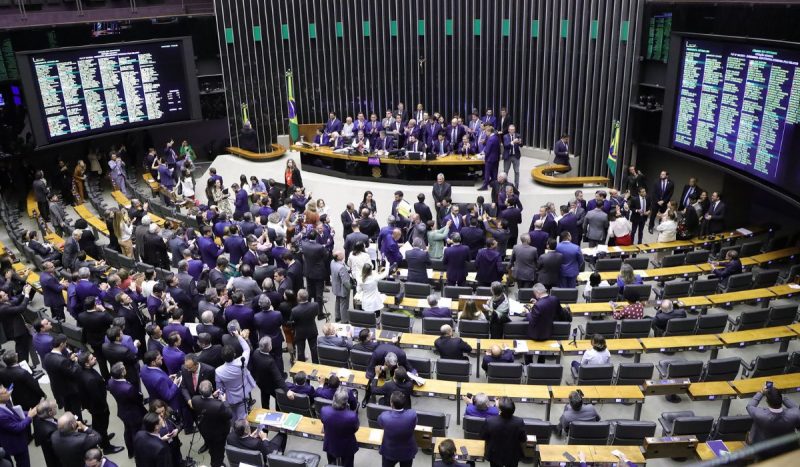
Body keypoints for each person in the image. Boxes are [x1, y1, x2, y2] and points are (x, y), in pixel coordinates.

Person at [76, 353, 123, 453]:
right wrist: (104, 407)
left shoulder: (83, 372)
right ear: (86, 364)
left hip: (92, 406)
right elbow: (97, 397)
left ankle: (101, 439)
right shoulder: (91, 379)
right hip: (99, 407)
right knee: (102, 425)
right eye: (92, 358)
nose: (95, 358)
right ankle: (106, 447)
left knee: (97, 424)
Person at [746, 384, 800, 456]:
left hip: (763, 451)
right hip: (788, 448)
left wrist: (761, 392)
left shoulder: (759, 414)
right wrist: (780, 396)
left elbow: (750, 406)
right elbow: (796, 408)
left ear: (767, 401)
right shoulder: (795, 415)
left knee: (751, 431)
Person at [108, 362, 147, 457]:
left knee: (127, 431)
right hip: (134, 414)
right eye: (124, 368)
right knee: (136, 433)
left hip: (122, 411)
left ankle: (130, 452)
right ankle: (139, 453)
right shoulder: (128, 388)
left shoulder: (110, 382)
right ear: (122, 373)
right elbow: (138, 399)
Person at [191, 380, 232, 467]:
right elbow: (229, 415)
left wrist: (212, 397)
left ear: (199, 390)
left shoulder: (194, 400)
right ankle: (217, 463)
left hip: (205, 430)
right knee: (219, 451)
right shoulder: (219, 405)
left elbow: (206, 405)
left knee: (212, 448)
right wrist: (224, 401)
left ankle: (215, 460)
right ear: (212, 389)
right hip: (219, 434)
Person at [42, 334, 83, 418]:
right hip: (70, 389)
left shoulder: (47, 356)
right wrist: (75, 361)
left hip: (59, 388)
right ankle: (79, 424)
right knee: (76, 409)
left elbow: (59, 368)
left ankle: (71, 421)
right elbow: (74, 372)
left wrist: (69, 360)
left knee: (67, 407)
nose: (66, 345)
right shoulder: (62, 361)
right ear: (61, 344)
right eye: (65, 343)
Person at [320, 387, 360, 467]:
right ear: (346, 401)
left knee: (331, 463)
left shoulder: (324, 410)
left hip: (330, 443)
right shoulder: (352, 416)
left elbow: (323, 422)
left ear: (334, 398)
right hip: (347, 446)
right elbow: (355, 429)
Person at [482, 397, 526, 467]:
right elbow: (523, 439)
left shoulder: (490, 421)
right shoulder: (519, 422)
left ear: (500, 409)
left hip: (495, 454)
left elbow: (483, 436)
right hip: (512, 454)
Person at [378, 391, 418, 467]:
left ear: (391, 403)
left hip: (389, 451)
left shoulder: (384, 416)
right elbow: (414, 424)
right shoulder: (412, 414)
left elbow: (381, 424)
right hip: (407, 451)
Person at [0, 384, 36, 467]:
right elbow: (17, 427)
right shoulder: (1, 415)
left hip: (14, 438)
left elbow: (14, 414)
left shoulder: (4, 402)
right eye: (4, 393)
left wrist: (29, 413)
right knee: (23, 463)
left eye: (5, 389)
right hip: (15, 443)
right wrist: (29, 417)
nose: (8, 392)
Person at [291, 289, 320, 363]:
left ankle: (302, 367)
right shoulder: (315, 305)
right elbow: (316, 314)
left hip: (300, 332)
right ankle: (316, 365)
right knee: (314, 350)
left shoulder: (294, 310)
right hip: (312, 330)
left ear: (298, 298)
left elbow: (292, 321)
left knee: (300, 351)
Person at [32, 400, 59, 467]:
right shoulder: (51, 432)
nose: (56, 408)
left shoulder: (38, 418)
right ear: (50, 413)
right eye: (55, 407)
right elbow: (59, 447)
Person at [478, 126, 501, 191]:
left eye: (485, 132)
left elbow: (487, 150)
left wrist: (483, 155)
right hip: (495, 158)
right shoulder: (496, 137)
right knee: (494, 173)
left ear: (489, 131)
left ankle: (485, 186)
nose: (485, 133)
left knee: (487, 173)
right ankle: (494, 185)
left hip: (489, 159)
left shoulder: (490, 139)